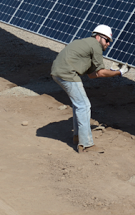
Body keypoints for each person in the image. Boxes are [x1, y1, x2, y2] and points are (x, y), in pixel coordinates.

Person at [51, 24, 129, 153]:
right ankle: (86, 145)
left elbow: (93, 75)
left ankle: (77, 137)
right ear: (98, 37)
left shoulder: (85, 44)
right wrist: (119, 72)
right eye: (107, 40)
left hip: (58, 72)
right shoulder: (95, 46)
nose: (108, 44)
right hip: (67, 74)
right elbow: (101, 73)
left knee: (79, 105)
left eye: (110, 42)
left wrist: (111, 71)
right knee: (84, 105)